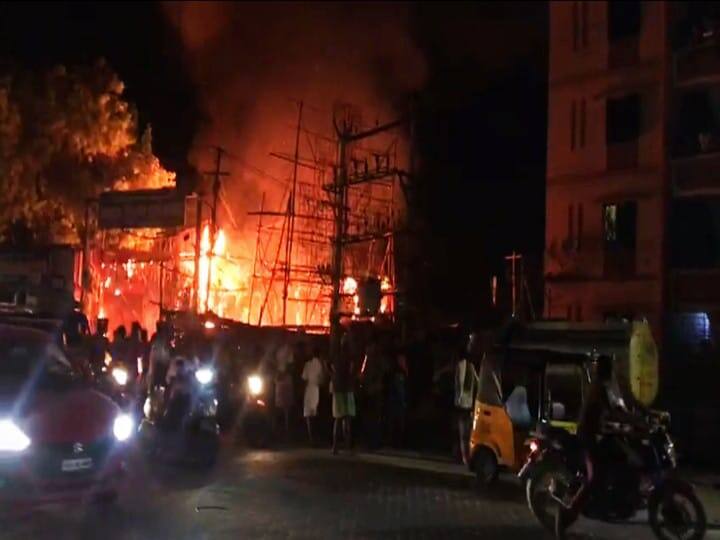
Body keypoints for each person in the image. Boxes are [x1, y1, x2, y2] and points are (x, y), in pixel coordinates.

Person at [454, 339, 479, 465]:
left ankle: (465, 457)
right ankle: (466, 457)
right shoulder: (467, 366)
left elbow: (463, 382)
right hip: (466, 403)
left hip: (465, 403)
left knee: (465, 433)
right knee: (466, 433)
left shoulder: (465, 365)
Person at [331, 333, 356, 454]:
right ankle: (347, 446)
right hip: (347, 390)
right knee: (347, 419)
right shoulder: (350, 357)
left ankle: (335, 446)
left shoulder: (336, 357)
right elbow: (351, 372)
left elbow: (332, 370)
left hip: (338, 390)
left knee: (338, 419)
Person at [302, 346, 324, 445]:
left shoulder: (308, 364)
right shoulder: (320, 364)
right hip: (316, 389)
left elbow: (304, 378)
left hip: (309, 389)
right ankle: (315, 437)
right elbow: (322, 379)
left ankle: (311, 437)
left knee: (308, 415)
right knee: (314, 413)